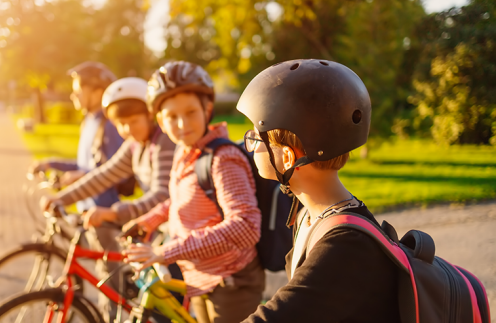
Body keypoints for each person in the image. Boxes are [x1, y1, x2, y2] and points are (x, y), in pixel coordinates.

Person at [236, 59, 400, 322]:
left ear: (288, 158)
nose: (251, 146)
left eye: (256, 137)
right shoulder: (308, 214)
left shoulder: (344, 245)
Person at [122, 61, 265, 323]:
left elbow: (245, 226)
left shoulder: (222, 159)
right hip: (200, 278)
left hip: (231, 282)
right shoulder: (185, 151)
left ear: (207, 109)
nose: (182, 123)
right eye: (172, 117)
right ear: (160, 122)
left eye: (190, 112)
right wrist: (148, 221)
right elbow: (177, 200)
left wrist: (165, 252)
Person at [41, 77, 176, 323]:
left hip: (178, 232)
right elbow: (102, 176)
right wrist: (61, 198)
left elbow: (163, 195)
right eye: (120, 124)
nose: (127, 130)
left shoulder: (164, 141)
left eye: (133, 121)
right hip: (159, 227)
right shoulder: (136, 144)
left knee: (162, 309)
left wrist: (114, 212)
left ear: (150, 114)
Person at [30, 61, 124, 213]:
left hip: (102, 213)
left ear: (98, 94)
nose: (73, 95)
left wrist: (82, 176)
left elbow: (118, 173)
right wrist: (50, 163)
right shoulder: (88, 121)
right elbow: (83, 165)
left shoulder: (109, 127)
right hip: (84, 208)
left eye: (79, 90)